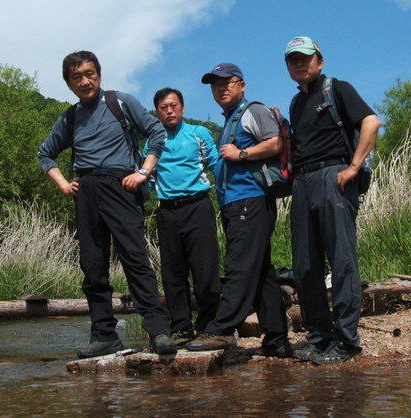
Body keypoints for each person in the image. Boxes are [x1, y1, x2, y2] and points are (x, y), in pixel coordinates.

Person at [37, 50, 176, 358]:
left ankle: (158, 331)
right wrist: (63, 183)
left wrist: (143, 172)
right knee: (93, 265)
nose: (85, 81)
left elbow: (156, 132)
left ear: (99, 74)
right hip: (85, 191)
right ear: (69, 84)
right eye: (77, 77)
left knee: (135, 259)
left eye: (90, 73)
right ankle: (104, 334)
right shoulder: (70, 117)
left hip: (121, 186)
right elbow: (45, 154)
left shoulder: (120, 102)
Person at [283, 36, 382, 365]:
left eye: (305, 58)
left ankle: (347, 340)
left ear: (319, 61)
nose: (300, 64)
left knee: (341, 261)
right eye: (293, 60)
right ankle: (319, 338)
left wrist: (353, 167)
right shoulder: (296, 104)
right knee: (305, 265)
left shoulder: (338, 88)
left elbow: (371, 121)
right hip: (303, 181)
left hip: (333, 176)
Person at [184, 63, 290, 357]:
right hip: (238, 204)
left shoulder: (252, 111)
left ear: (241, 84)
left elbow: (277, 142)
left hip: (250, 201)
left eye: (227, 82)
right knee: (261, 272)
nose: (221, 88)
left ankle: (220, 330)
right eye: (215, 85)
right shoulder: (231, 120)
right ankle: (277, 338)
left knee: (239, 267)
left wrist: (242, 153)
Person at [146, 88, 221, 345]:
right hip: (167, 210)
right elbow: (147, 178)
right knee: (172, 273)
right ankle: (180, 328)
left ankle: (209, 326)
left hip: (198, 206)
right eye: (164, 107)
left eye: (174, 105)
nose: (169, 110)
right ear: (157, 112)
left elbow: (217, 166)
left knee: (205, 270)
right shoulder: (153, 141)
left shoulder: (199, 134)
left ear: (183, 107)